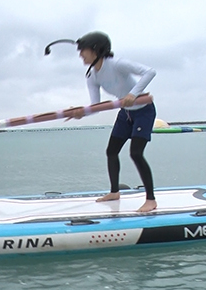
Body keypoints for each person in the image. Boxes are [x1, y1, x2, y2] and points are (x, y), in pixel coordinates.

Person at [45, 31, 158, 212]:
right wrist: (81, 113)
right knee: (111, 151)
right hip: (126, 113)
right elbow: (96, 105)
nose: (81, 55)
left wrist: (133, 93)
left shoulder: (117, 64)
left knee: (136, 153)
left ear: (97, 49)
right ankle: (114, 192)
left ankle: (151, 200)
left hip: (143, 111)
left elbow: (149, 72)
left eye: (83, 51)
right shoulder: (92, 76)